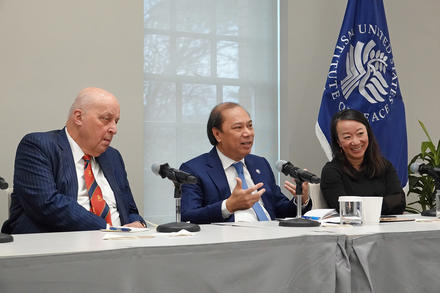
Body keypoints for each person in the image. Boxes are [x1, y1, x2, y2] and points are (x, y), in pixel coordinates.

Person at [1, 87, 145, 234]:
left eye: (116, 121)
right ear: (78, 117)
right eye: (106, 119)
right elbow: (47, 204)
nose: (114, 129)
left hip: (120, 247)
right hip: (57, 247)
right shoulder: (38, 146)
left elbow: (129, 208)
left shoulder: (113, 157)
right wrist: (109, 230)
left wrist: (138, 224)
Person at [180, 102, 311, 224]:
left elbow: (279, 209)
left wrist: (301, 200)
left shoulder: (260, 163)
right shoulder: (194, 170)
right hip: (231, 244)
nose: (248, 133)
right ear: (217, 134)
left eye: (250, 126)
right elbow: (188, 217)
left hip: (271, 238)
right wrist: (228, 206)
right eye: (238, 127)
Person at [320, 109, 405, 214]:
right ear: (338, 142)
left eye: (360, 133)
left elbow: (399, 201)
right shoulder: (331, 172)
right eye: (347, 137)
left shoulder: (384, 165)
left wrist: (363, 206)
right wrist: (384, 204)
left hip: (386, 227)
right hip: (350, 229)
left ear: (368, 134)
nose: (355, 142)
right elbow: (346, 210)